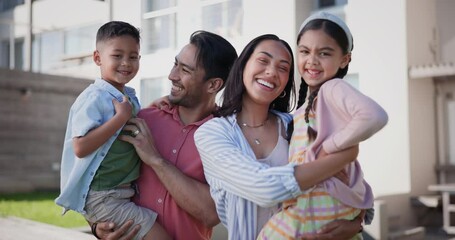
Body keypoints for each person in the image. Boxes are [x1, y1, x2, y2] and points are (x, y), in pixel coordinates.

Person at [194, 33, 364, 240]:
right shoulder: (212, 133)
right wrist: (340, 158)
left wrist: (356, 223)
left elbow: (351, 182)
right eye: (263, 60)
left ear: (286, 83)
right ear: (243, 67)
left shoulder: (298, 124)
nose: (272, 72)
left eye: (283, 68)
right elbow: (264, 188)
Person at [93, 30, 239, 240]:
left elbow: (211, 214)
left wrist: (156, 160)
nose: (172, 75)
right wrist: (98, 226)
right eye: (175, 64)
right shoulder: (143, 119)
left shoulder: (226, 136)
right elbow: (99, 178)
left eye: (185, 70)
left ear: (213, 85)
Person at [258, 12, 388, 239]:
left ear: (344, 59)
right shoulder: (301, 111)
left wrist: (328, 148)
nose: (312, 60)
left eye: (324, 53)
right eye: (305, 51)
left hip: (320, 209)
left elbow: (375, 115)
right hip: (321, 209)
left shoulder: (332, 89)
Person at [55, 21, 171, 240]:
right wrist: (120, 118)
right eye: (117, 56)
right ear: (98, 58)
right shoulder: (94, 98)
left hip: (122, 193)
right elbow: (80, 147)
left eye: (133, 56)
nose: (126, 63)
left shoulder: (126, 95)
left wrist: (154, 105)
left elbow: (130, 120)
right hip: (104, 197)